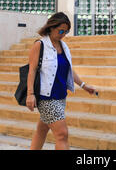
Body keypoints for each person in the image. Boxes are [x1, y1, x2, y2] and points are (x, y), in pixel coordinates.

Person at [26, 12, 97, 150]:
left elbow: (68, 70)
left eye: (66, 31)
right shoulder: (40, 45)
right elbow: (32, 70)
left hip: (60, 97)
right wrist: (30, 94)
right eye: (61, 30)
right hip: (46, 97)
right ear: (51, 27)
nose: (63, 34)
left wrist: (83, 85)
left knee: (42, 130)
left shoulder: (64, 47)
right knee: (62, 134)